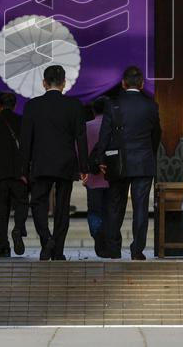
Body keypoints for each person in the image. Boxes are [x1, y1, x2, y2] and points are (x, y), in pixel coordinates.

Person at [20, 64, 89, 261]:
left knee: (38, 203)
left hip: (41, 162)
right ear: (64, 83)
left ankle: (46, 238)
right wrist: (83, 167)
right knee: (62, 207)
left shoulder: (32, 106)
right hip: (66, 163)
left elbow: (26, 140)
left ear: (43, 83)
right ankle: (57, 251)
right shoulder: (74, 105)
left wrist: (23, 168)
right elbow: (81, 138)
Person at [93, 66, 161, 260]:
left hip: (118, 161)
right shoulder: (151, 106)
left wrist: (101, 158)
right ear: (141, 84)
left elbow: (104, 134)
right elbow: (156, 134)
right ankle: (137, 250)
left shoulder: (113, 104)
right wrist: (150, 152)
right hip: (143, 160)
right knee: (140, 207)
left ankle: (114, 248)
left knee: (115, 205)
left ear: (123, 84)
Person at [0, 91, 29, 257]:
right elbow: (27, 147)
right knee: (22, 204)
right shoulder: (22, 121)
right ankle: (18, 228)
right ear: (15, 105)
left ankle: (3, 245)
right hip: (19, 173)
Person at [84, 98, 110, 257]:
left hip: (93, 178)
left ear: (93, 110)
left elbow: (79, 150)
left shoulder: (86, 127)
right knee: (110, 210)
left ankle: (97, 234)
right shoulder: (114, 127)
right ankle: (108, 239)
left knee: (94, 211)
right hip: (111, 176)